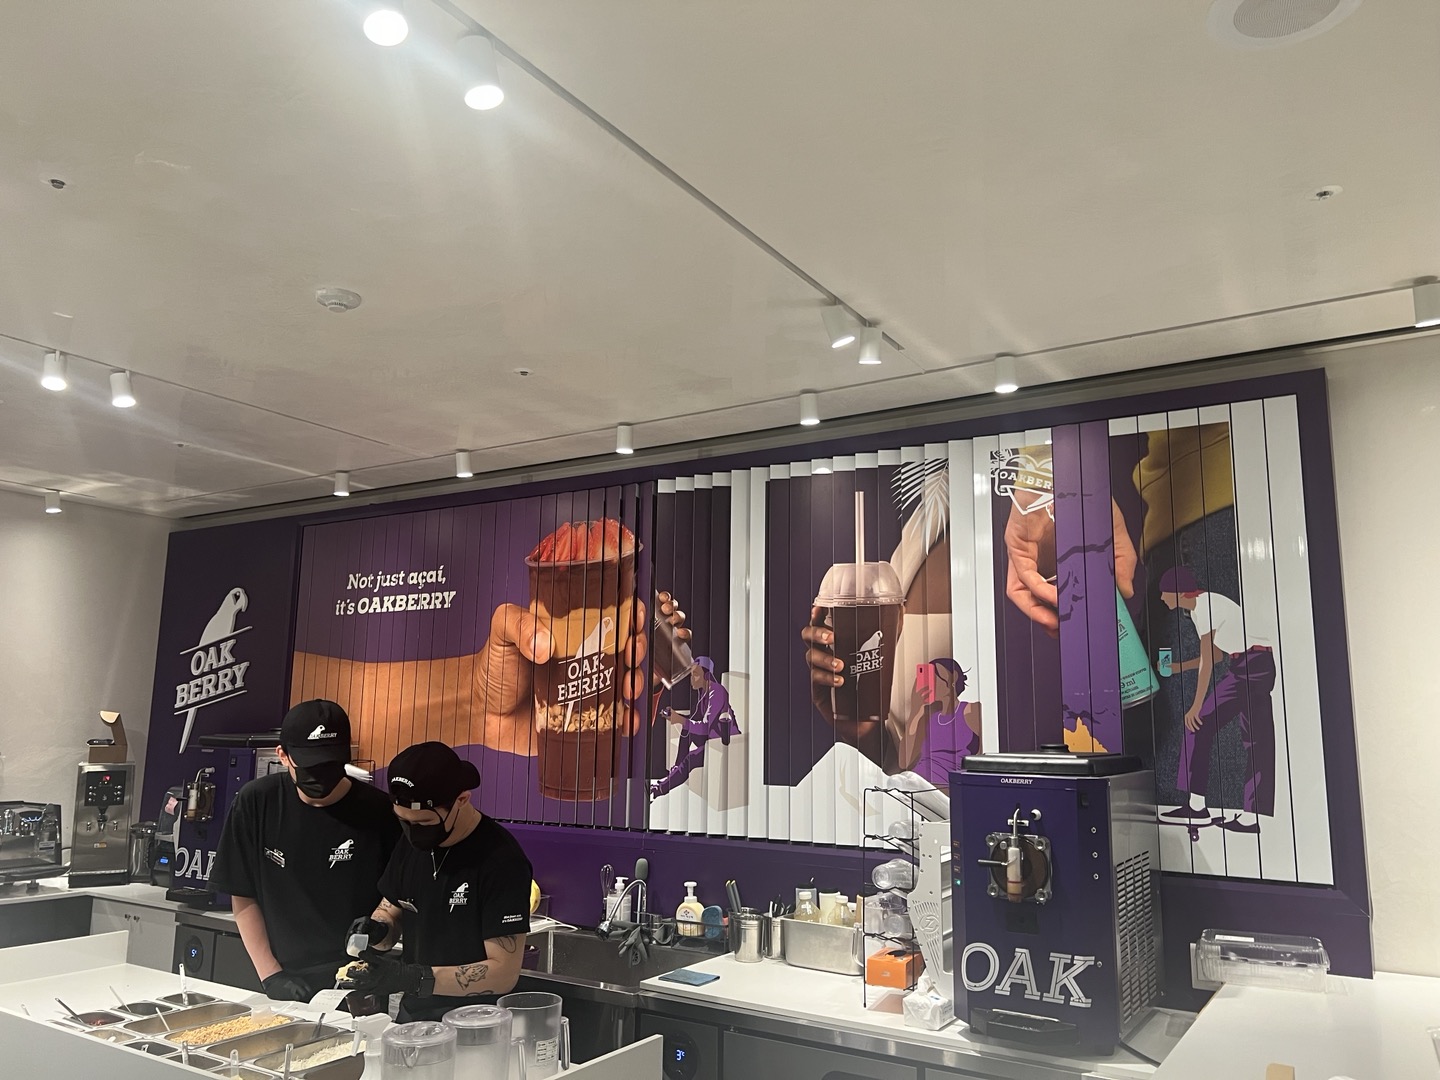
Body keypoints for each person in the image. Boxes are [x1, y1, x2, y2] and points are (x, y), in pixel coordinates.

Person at [208, 700, 400, 1002]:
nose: (320, 775)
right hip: (281, 973)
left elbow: (396, 898)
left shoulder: (382, 813)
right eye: (311, 766)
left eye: (330, 765)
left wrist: (381, 931)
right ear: (283, 755)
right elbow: (242, 895)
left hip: (360, 978)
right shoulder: (257, 802)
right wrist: (271, 975)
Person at [339, 741, 534, 1021]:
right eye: (404, 821)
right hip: (414, 1018)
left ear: (461, 800)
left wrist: (414, 978)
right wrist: (377, 930)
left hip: (475, 1024)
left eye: (424, 823)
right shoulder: (412, 843)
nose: (413, 831)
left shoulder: (501, 860)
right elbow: (391, 910)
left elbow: (503, 974)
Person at [1156, 566, 1275, 833]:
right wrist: (1178, 668)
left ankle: (1202, 809)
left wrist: (1196, 705)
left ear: (1179, 592)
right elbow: (1218, 655)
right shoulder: (1201, 607)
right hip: (1251, 664)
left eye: (1165, 592)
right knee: (1254, 740)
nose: (1162, 598)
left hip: (1251, 667)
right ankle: (1243, 815)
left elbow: (1209, 661)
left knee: (1200, 723)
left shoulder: (1204, 606)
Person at [649, 657, 739, 799]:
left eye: (695, 675)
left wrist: (680, 720)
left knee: (691, 758)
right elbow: (696, 720)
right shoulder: (704, 693)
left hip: (721, 743)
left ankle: (659, 789)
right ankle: (676, 769)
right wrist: (676, 716)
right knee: (686, 730)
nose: (691, 679)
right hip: (710, 738)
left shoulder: (717, 692)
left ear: (707, 676)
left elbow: (704, 727)